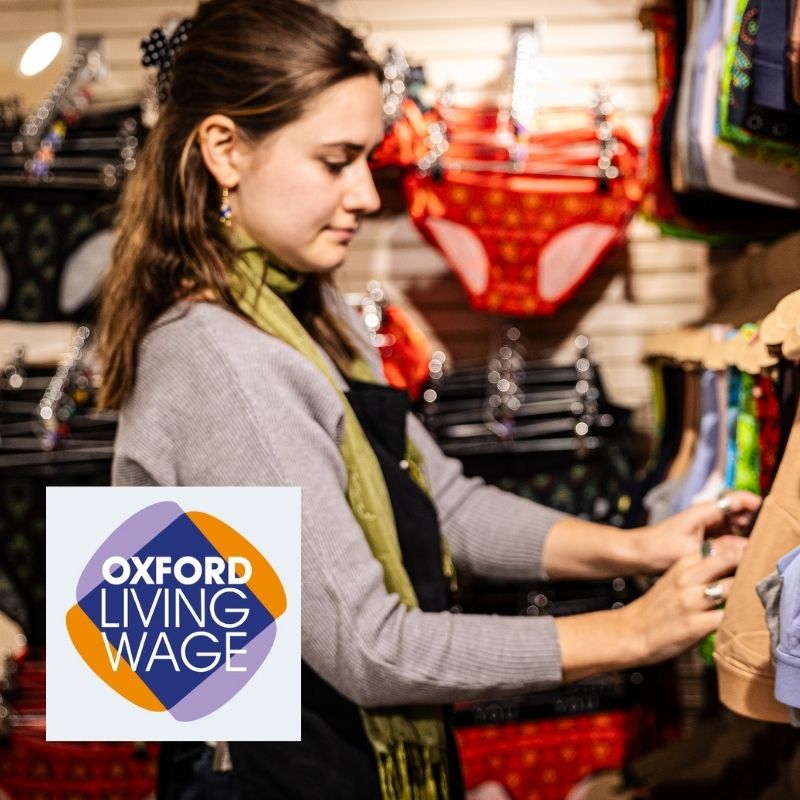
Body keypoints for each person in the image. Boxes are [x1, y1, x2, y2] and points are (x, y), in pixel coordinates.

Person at [97, 1, 760, 798]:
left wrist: (642, 547)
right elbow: (372, 650)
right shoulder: (219, 361)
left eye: (365, 160)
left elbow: (442, 502)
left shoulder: (303, 310)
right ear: (225, 150)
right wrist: (629, 632)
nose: (366, 196)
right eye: (335, 160)